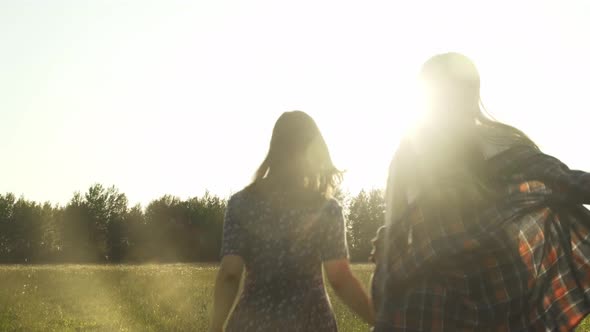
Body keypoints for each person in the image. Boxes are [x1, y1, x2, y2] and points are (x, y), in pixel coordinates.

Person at [372, 53, 590, 331]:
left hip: (455, 298)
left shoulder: (491, 145)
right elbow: (393, 235)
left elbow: (392, 238)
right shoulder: (411, 156)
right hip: (473, 295)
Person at [208, 111, 374, 332]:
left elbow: (230, 273)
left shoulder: (241, 204)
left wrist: (215, 327)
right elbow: (340, 279)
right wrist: (380, 321)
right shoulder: (325, 208)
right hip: (312, 323)